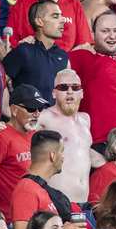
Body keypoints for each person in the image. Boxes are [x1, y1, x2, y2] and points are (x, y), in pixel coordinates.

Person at [70, 12, 116, 153]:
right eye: (105, 31)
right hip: (103, 141)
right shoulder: (83, 56)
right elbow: (49, 65)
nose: (112, 36)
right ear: (93, 35)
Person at [0, 84, 47, 220]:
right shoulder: (0, 136)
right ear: (14, 109)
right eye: (31, 109)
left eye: (40, 109)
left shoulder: (33, 134)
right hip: (8, 219)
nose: (37, 114)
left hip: (32, 216)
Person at [32, 69, 95, 203]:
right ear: (54, 93)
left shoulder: (85, 119)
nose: (69, 91)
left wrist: (115, 160)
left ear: (81, 93)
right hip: (57, 203)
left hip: (84, 202)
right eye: (63, 87)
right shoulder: (46, 116)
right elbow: (19, 130)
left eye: (75, 87)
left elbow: (84, 152)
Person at [8, 130, 71, 229]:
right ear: (53, 156)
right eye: (62, 151)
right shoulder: (26, 190)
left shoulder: (39, 187)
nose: (63, 157)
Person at [3, 0, 71, 102]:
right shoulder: (23, 51)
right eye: (55, 16)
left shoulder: (63, 56)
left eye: (61, 15)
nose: (63, 20)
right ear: (39, 22)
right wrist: (8, 108)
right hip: (27, 113)